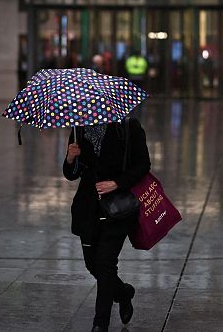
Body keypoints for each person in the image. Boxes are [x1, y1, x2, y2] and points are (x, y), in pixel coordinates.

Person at [64, 118, 151, 331]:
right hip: (88, 209)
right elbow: (71, 174)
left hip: (117, 208)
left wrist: (117, 183)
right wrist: (70, 158)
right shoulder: (79, 127)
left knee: (105, 264)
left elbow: (143, 165)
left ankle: (100, 323)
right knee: (92, 265)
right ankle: (123, 293)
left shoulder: (128, 127)